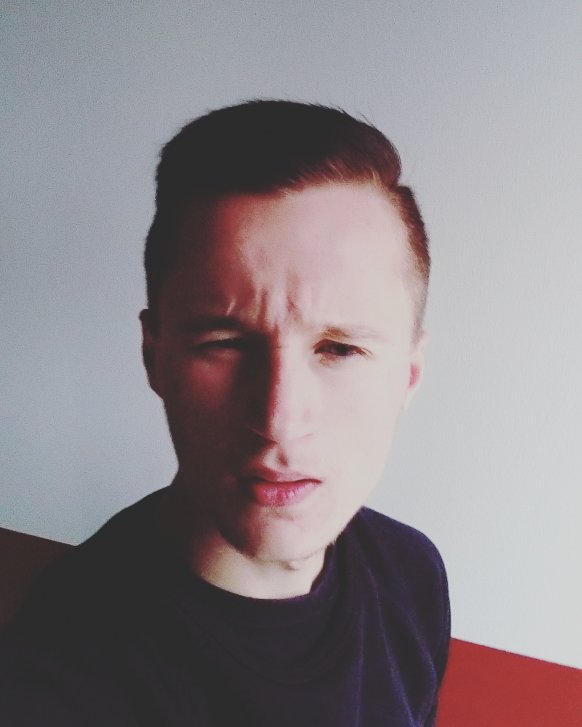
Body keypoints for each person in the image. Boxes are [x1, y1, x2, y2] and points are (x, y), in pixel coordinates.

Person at [0, 100, 450, 726]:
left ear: (410, 374)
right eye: (226, 343)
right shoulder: (55, 681)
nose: (279, 420)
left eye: (339, 348)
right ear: (154, 357)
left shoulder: (410, 574)